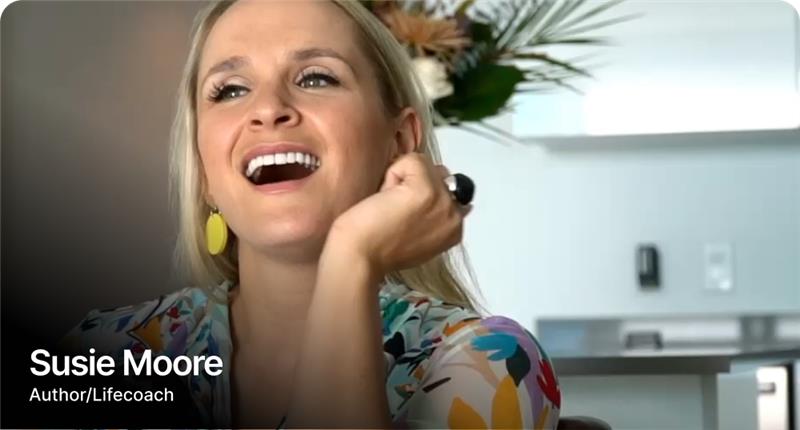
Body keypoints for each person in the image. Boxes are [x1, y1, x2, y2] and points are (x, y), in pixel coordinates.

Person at [62, 0, 561, 428]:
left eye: (316, 77)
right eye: (230, 89)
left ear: (399, 144)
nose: (268, 108)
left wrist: (351, 259)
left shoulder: (492, 364)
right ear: (205, 172)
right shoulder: (105, 353)